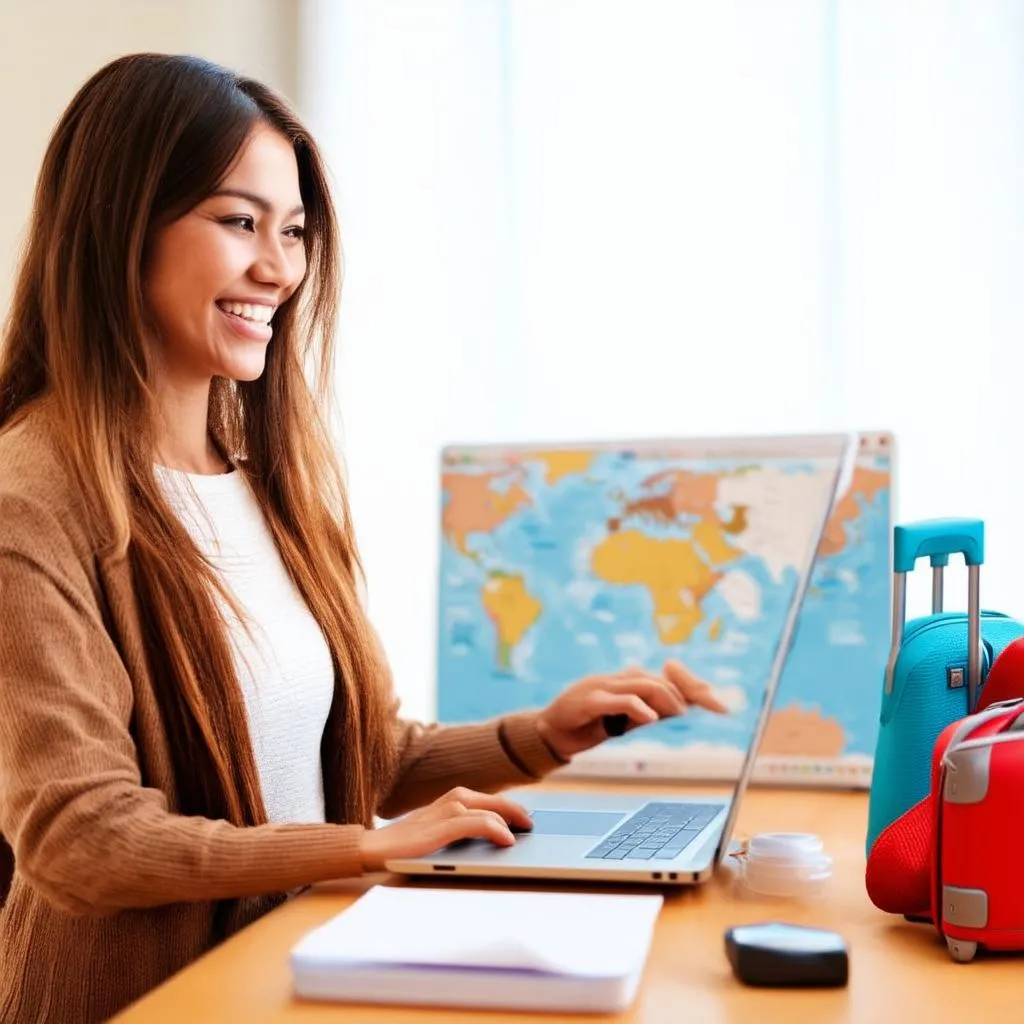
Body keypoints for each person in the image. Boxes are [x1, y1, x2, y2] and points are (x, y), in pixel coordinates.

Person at [0, 53, 726, 1024]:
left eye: (293, 232)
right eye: (238, 221)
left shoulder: (270, 483)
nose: (279, 268)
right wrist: (364, 845)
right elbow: (79, 838)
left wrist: (538, 735)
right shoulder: (30, 498)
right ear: (122, 225)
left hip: (301, 970)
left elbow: (361, 752)